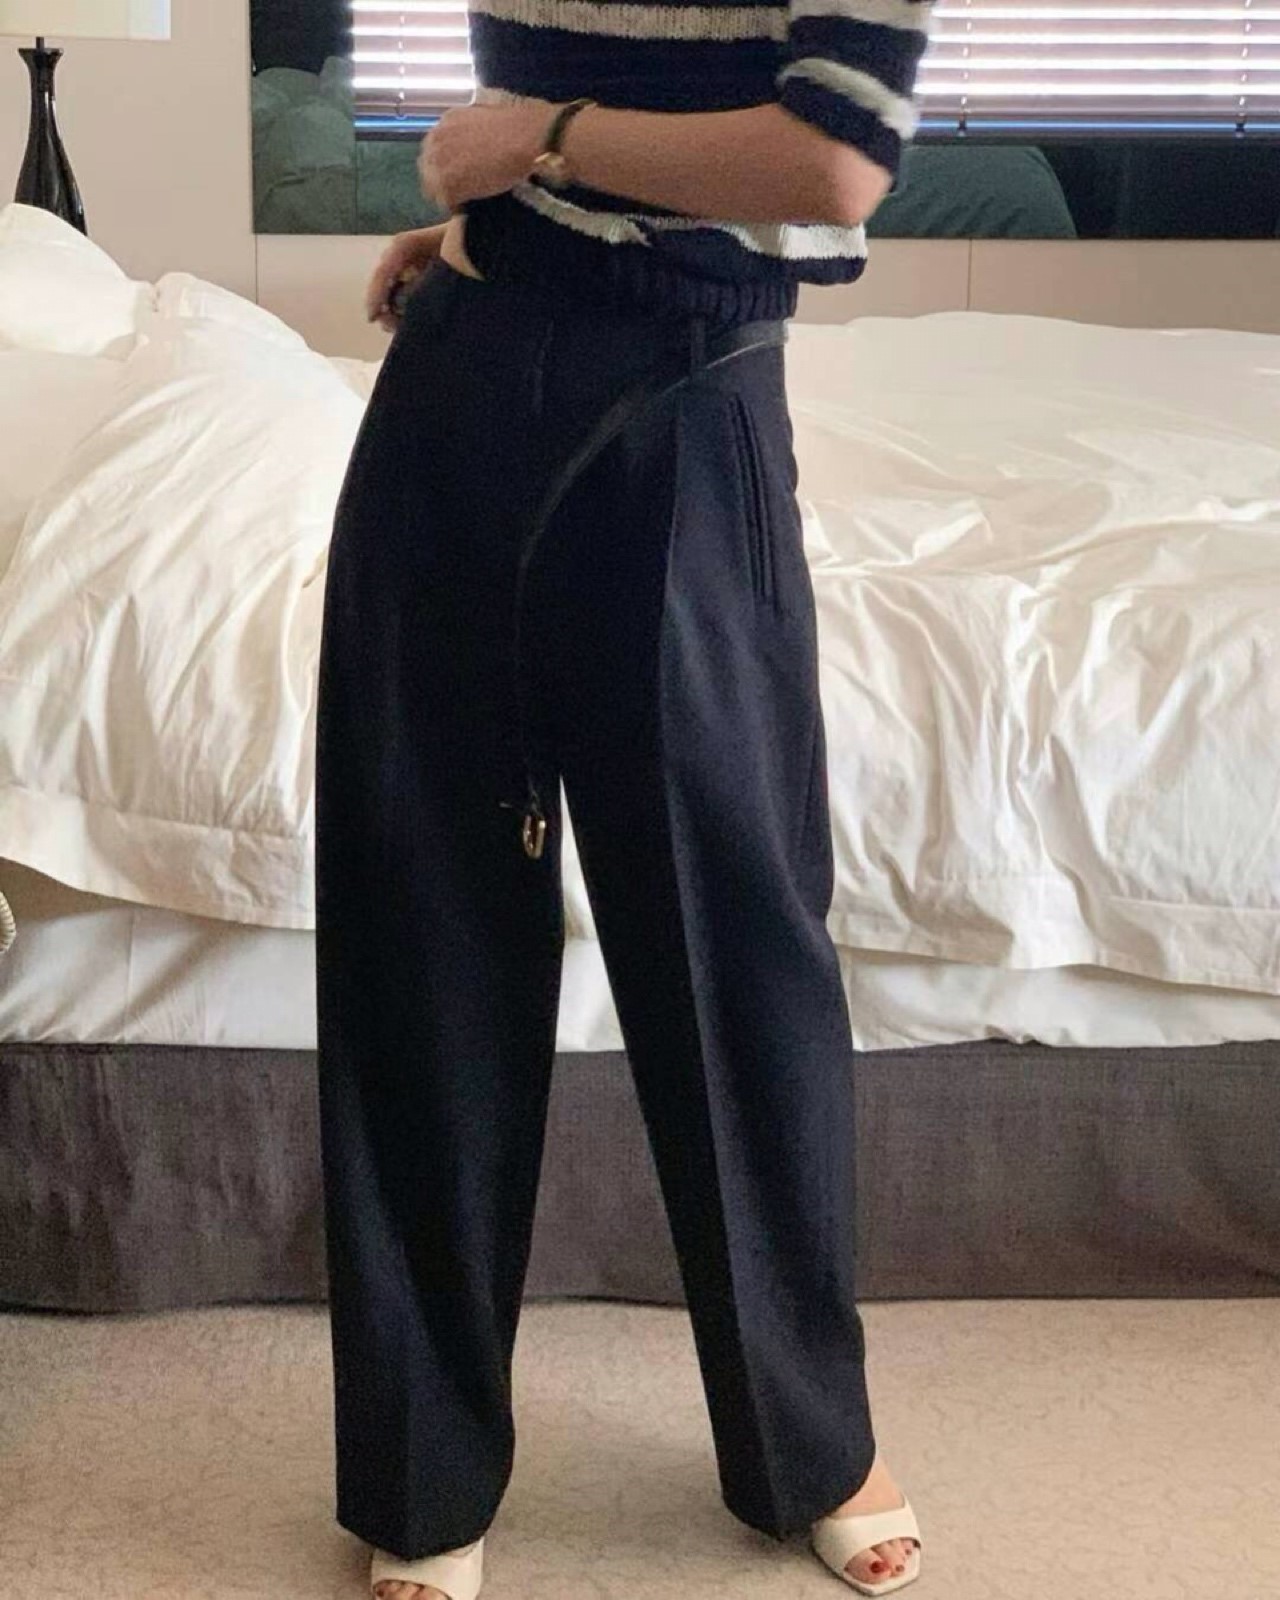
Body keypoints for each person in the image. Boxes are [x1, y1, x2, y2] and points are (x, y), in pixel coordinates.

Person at [314, 2, 937, 1597]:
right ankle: (421, 1471)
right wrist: (494, 221)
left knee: (734, 937)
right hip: (464, 362)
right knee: (420, 914)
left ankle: (810, 1440)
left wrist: (539, 142)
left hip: (688, 392)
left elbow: (833, 160)